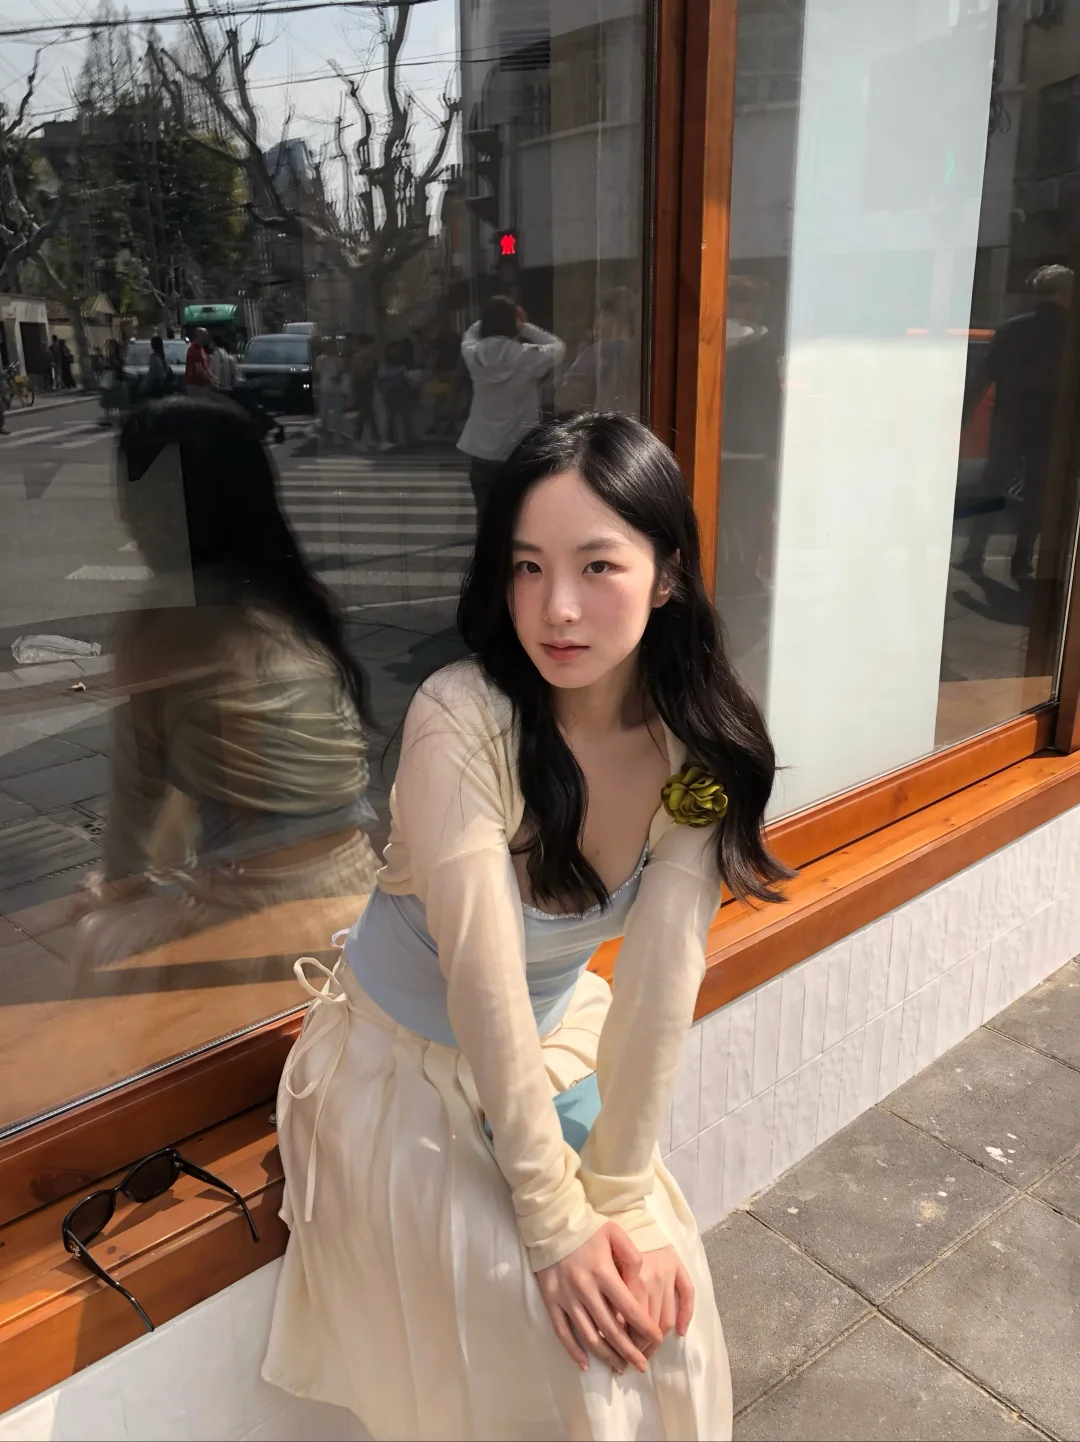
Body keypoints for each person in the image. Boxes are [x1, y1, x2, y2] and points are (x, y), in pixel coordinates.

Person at [262, 412, 788, 1440]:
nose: (558, 608)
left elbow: (662, 975)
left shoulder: (696, 742)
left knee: (664, 1317)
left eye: (598, 565)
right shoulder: (461, 717)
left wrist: (620, 1194)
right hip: (398, 1069)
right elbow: (483, 979)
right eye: (528, 566)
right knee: (552, 1335)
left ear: (667, 575)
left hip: (548, 1046)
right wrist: (553, 1224)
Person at [72, 394, 381, 983]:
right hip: (358, 890)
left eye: (139, 501)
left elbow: (135, 799)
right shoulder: (297, 601)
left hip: (260, 919)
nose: (132, 523)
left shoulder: (162, 623)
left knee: (99, 940)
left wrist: (112, 893)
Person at [961, 263, 1075, 581]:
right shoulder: (1071, 333)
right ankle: (1022, 559)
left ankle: (973, 553)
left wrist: (965, 413)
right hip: (1052, 424)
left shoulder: (1011, 329)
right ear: (1066, 293)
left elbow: (983, 374)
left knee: (992, 486)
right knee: (1039, 492)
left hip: (1010, 419)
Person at [458, 297, 566, 524]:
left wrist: (486, 321)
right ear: (513, 324)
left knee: (485, 518)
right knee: (515, 520)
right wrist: (523, 326)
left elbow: (469, 335)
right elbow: (558, 346)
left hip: (482, 453)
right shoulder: (528, 356)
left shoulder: (475, 355)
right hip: (518, 450)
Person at [555, 288, 638, 416]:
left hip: (608, 424)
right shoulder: (641, 351)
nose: (596, 323)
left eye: (602, 314)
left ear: (611, 318)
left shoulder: (597, 352)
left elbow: (566, 399)